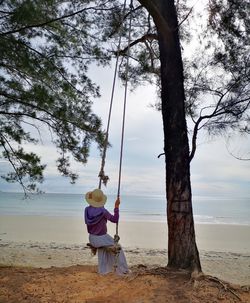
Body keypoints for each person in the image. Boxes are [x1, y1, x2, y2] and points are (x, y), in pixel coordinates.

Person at [84, 188, 129, 275]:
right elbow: (115, 219)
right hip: (101, 238)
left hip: (92, 238)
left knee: (103, 249)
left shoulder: (87, 210)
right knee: (118, 248)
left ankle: (103, 270)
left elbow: (95, 213)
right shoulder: (103, 211)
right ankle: (123, 270)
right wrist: (116, 207)